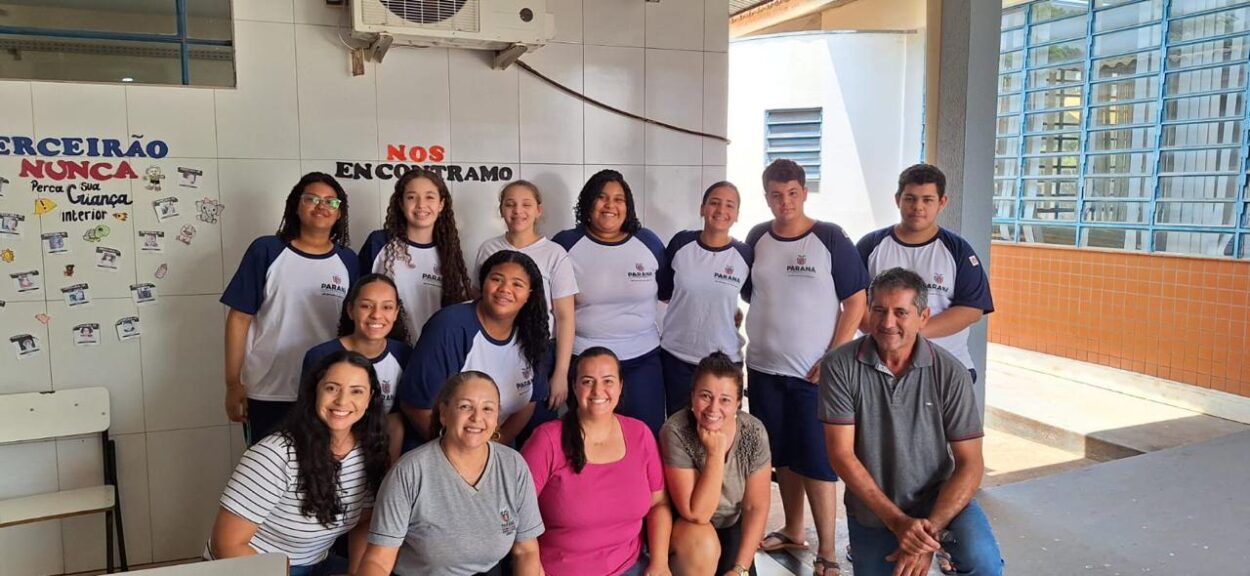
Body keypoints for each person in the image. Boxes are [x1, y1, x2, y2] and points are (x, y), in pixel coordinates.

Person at [821, 267, 1002, 576]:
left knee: (982, 561)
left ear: (924, 316)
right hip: (873, 508)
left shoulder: (950, 372)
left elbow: (970, 464)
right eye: (878, 310)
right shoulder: (839, 365)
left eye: (900, 312)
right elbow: (841, 456)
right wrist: (899, 523)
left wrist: (925, 537)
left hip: (939, 500)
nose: (887, 322)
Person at [743, 159, 868, 575]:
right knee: (783, 458)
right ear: (766, 197)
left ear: (804, 193)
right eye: (776, 195)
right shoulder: (757, 237)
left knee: (817, 460)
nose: (785, 202)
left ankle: (828, 549)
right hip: (763, 369)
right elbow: (751, 293)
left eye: (792, 193)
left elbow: (856, 302)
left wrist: (834, 354)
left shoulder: (830, 238)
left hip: (814, 375)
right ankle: (793, 529)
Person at [206, 351, 389, 576]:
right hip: (252, 566)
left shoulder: (368, 451)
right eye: (331, 388)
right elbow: (226, 545)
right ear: (314, 393)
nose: (342, 400)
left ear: (370, 398)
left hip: (317, 564)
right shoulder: (274, 455)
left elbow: (364, 521)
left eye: (356, 391)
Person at [358, 371, 544, 576]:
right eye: (465, 406)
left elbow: (526, 551)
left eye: (488, 409)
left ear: (497, 417)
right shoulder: (409, 472)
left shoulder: (513, 465)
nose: (477, 417)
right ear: (444, 413)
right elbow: (378, 561)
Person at [221, 171, 358, 444]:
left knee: (320, 476)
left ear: (340, 213)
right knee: (269, 477)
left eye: (331, 202)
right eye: (312, 199)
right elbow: (239, 319)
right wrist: (233, 384)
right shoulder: (267, 251)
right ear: (296, 205)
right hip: (268, 390)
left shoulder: (349, 261)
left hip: (328, 393)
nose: (322, 206)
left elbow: (355, 328)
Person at [521, 347, 671, 576]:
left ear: (621, 386)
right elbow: (518, 515)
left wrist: (659, 564)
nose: (598, 390)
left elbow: (658, 503)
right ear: (574, 386)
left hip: (629, 567)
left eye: (608, 381)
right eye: (587, 381)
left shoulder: (639, 434)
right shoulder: (547, 440)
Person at [553, 170, 667, 433]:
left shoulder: (647, 242)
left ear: (628, 206)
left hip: (642, 360)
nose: (610, 206)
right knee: (587, 436)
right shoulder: (566, 243)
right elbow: (555, 304)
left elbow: (667, 291)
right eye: (602, 198)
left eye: (619, 199)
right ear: (588, 203)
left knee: (645, 434)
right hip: (583, 359)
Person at [857, 163, 994, 382]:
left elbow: (972, 310)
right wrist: (888, 337)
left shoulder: (958, 250)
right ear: (897, 199)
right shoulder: (870, 246)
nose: (918, 207)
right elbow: (855, 303)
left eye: (927, 200)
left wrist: (910, 332)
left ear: (942, 203)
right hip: (880, 367)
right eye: (910, 198)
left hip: (944, 368)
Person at [399, 250, 549, 446]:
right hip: (438, 446)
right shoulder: (449, 326)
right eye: (497, 279)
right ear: (483, 284)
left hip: (494, 447)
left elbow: (529, 401)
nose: (505, 289)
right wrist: (457, 455)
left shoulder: (532, 333)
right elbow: (415, 406)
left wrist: (496, 448)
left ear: (529, 295)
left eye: (517, 284)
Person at [475, 180, 578, 433]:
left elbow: (565, 317)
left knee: (536, 432)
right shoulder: (488, 249)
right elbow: (478, 303)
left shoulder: (555, 254)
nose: (517, 211)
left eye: (526, 204)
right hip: (496, 349)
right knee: (495, 424)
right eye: (509, 204)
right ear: (501, 210)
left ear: (538, 211)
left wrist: (561, 373)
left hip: (542, 352)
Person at [661, 352, 771, 576]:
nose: (713, 408)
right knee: (702, 543)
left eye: (725, 400)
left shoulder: (753, 431)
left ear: (738, 403)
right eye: (705, 396)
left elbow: (755, 506)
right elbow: (696, 513)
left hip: (731, 524)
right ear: (692, 396)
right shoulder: (676, 430)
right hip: (689, 530)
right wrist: (715, 453)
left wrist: (740, 569)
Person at [658, 181, 751, 415]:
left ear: (737, 215)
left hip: (725, 362)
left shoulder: (744, 255)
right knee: (678, 431)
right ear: (702, 208)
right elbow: (665, 291)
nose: (721, 210)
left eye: (730, 205)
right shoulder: (681, 243)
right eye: (714, 203)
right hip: (677, 356)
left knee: (718, 429)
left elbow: (750, 296)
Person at [302, 273, 412, 463]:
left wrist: (387, 474)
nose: (376, 315)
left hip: (381, 453)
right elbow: (310, 418)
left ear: (396, 313)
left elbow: (396, 421)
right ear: (351, 310)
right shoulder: (320, 356)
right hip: (329, 455)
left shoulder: (405, 355)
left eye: (386, 307)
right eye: (366, 306)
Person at [358, 168, 474, 342]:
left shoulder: (448, 252)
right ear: (401, 203)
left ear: (441, 204)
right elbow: (358, 300)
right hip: (385, 349)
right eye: (411, 197)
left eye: (430, 197)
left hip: (432, 351)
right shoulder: (379, 242)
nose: (421, 205)